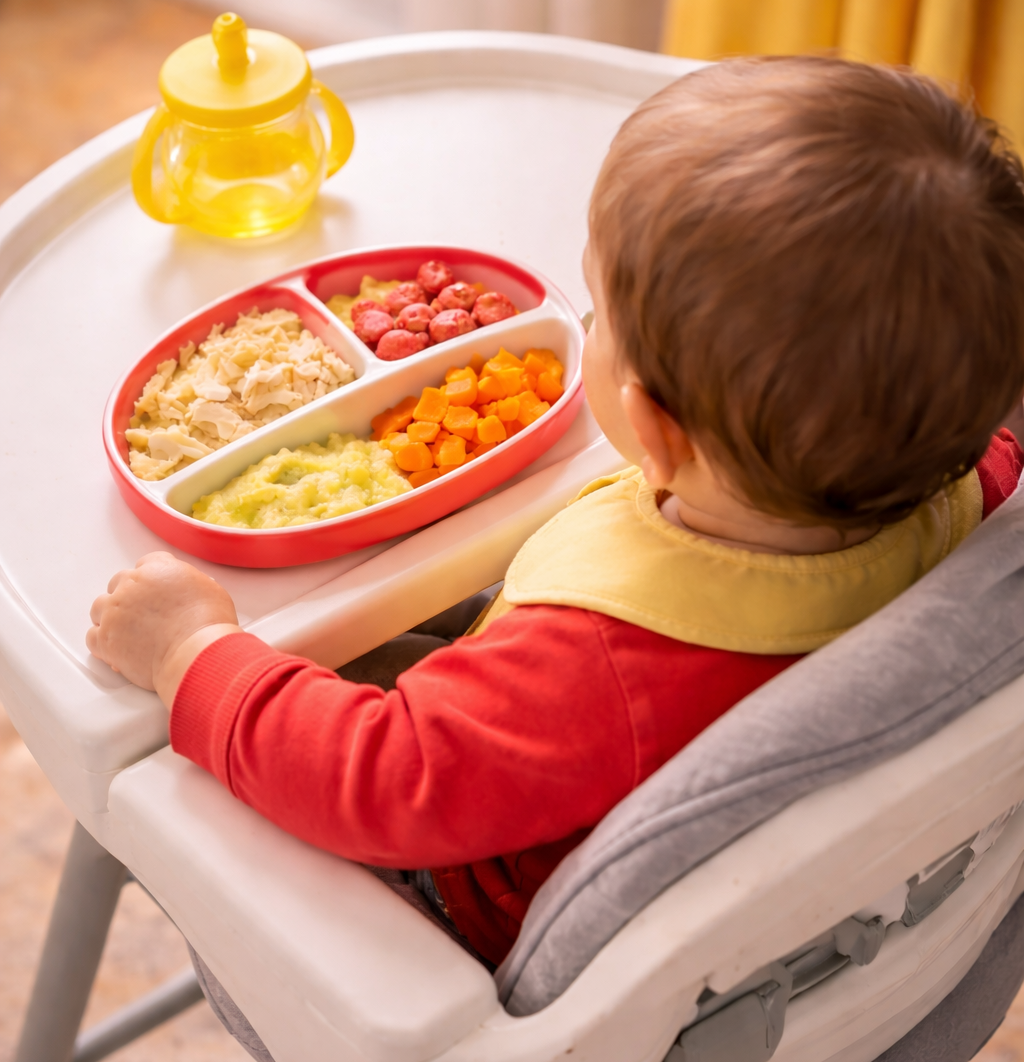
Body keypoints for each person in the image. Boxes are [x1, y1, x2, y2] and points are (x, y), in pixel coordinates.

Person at [87, 57, 1024, 968]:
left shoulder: (596, 669)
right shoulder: (977, 474)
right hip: (793, 868)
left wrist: (187, 651)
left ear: (654, 429)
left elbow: (382, 780)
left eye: (600, 311)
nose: (585, 325)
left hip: (462, 889)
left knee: (236, 684)